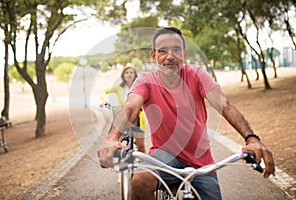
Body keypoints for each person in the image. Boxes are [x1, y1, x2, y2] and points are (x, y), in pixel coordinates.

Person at [97, 27, 275, 200]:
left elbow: (224, 105)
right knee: (141, 180)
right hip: (163, 155)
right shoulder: (146, 80)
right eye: (163, 51)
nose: (170, 56)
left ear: (184, 53)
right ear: (154, 56)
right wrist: (112, 138)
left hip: (200, 159)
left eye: (176, 50)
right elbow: (130, 107)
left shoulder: (197, 75)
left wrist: (252, 139)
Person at [100, 64, 146, 153]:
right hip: (123, 118)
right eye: (126, 73)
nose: (129, 74)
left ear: (135, 75)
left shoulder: (140, 88)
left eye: (131, 73)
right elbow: (103, 91)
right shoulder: (119, 88)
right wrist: (104, 101)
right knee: (117, 142)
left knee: (141, 146)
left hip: (138, 119)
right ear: (123, 75)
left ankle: (146, 165)